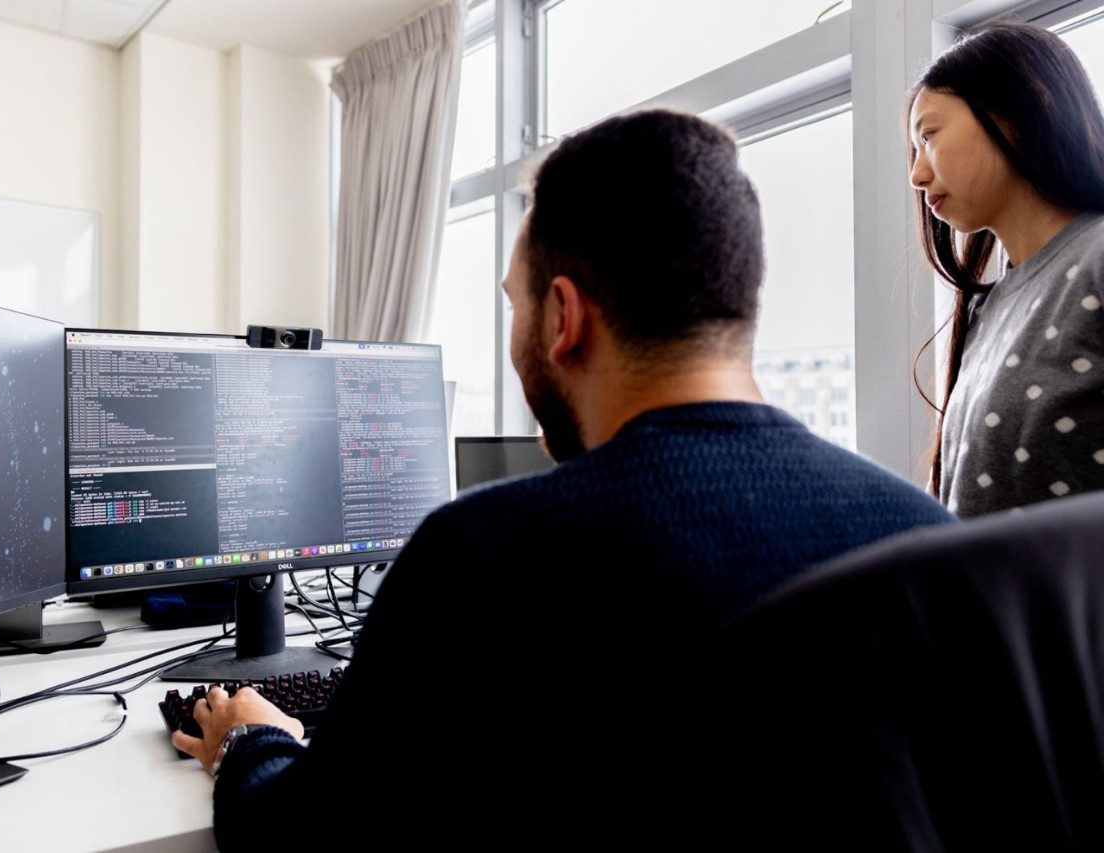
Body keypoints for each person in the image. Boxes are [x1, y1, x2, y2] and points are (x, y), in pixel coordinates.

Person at [176, 108, 954, 842]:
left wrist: (253, 737)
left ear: (563, 317)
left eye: (515, 304)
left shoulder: (484, 552)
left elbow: (293, 837)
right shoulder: (927, 540)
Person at [908, 21, 1104, 517]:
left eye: (928, 135)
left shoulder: (1097, 258)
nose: (917, 173)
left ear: (1016, 113)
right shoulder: (987, 308)